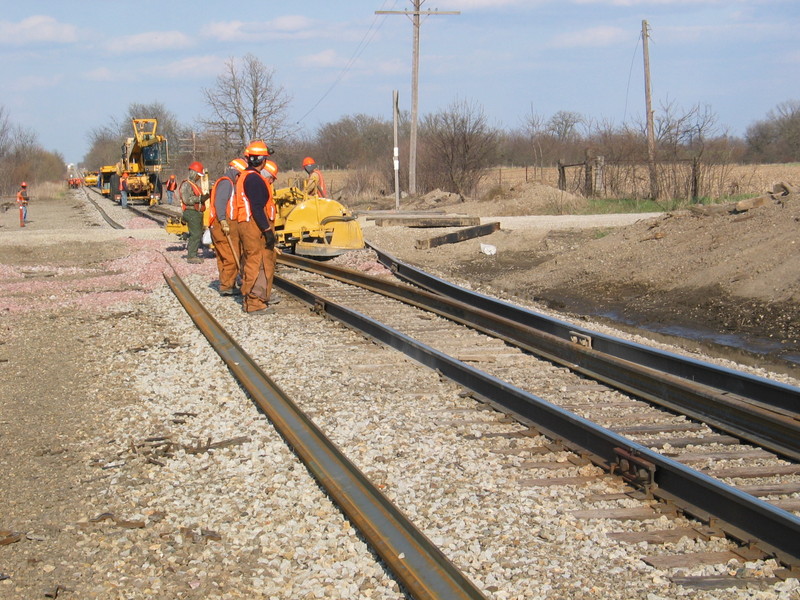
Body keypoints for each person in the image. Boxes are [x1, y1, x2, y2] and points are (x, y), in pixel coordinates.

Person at [234, 140, 277, 315]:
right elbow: (257, 207)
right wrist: (267, 231)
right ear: (263, 160)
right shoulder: (254, 179)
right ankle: (255, 303)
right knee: (259, 263)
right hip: (255, 227)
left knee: (252, 261)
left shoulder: (245, 176)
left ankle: (253, 299)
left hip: (248, 225)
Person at [209, 158, 246, 295]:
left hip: (219, 225)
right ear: (237, 173)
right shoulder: (226, 183)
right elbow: (220, 203)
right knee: (231, 256)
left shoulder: (225, 182)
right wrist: (223, 220)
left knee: (223, 257)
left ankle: (225, 283)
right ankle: (227, 286)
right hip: (223, 225)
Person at [179, 161, 207, 264]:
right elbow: (186, 200)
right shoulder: (186, 185)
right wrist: (200, 199)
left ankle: (192, 252)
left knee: (197, 233)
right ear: (193, 173)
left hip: (196, 212)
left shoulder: (193, 185)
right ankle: (191, 256)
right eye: (198, 175)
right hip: (191, 212)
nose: (199, 178)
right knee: (195, 234)